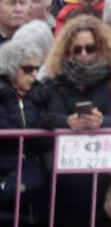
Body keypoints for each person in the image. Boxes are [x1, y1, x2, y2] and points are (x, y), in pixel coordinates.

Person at [42, 17, 111, 217]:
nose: (83, 54)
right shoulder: (57, 80)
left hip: (106, 175)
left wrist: (101, 122)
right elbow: (49, 116)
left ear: (101, 48)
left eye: (90, 48)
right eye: (77, 49)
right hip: (67, 177)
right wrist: (68, 122)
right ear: (68, 51)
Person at [0, 21, 51, 223]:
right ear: (13, 69)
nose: (34, 75)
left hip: (31, 181)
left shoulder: (39, 95)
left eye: (37, 69)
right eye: (28, 69)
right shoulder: (3, 94)